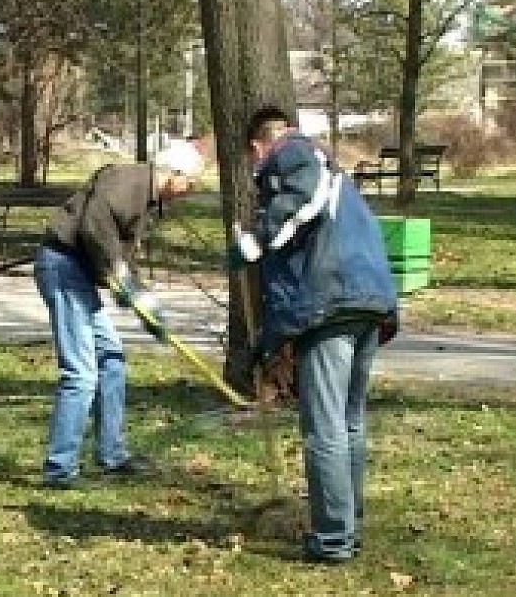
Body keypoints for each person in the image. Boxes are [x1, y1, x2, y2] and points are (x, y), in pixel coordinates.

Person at [231, 106, 399, 562]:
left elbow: (300, 199)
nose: (256, 172)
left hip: (331, 303)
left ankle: (333, 538)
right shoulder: (337, 173)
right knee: (348, 422)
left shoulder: (295, 155)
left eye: (253, 162)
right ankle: (348, 522)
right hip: (367, 300)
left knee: (324, 426)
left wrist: (256, 239)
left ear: (257, 147)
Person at [34, 140, 204, 488]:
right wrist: (119, 275)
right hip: (63, 267)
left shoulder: (146, 198)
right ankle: (59, 468)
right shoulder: (129, 182)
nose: (191, 190)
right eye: (191, 181)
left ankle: (111, 454)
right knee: (80, 373)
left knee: (111, 358)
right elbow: (94, 227)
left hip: (79, 273)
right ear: (174, 175)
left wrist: (144, 304)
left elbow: (120, 254)